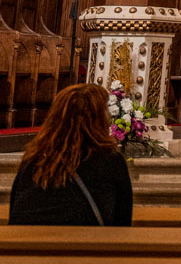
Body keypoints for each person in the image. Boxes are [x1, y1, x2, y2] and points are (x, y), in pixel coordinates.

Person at [9, 82, 133, 226]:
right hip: (86, 245)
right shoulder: (111, 161)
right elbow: (122, 223)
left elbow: (15, 212)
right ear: (99, 119)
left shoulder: (34, 158)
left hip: (26, 245)